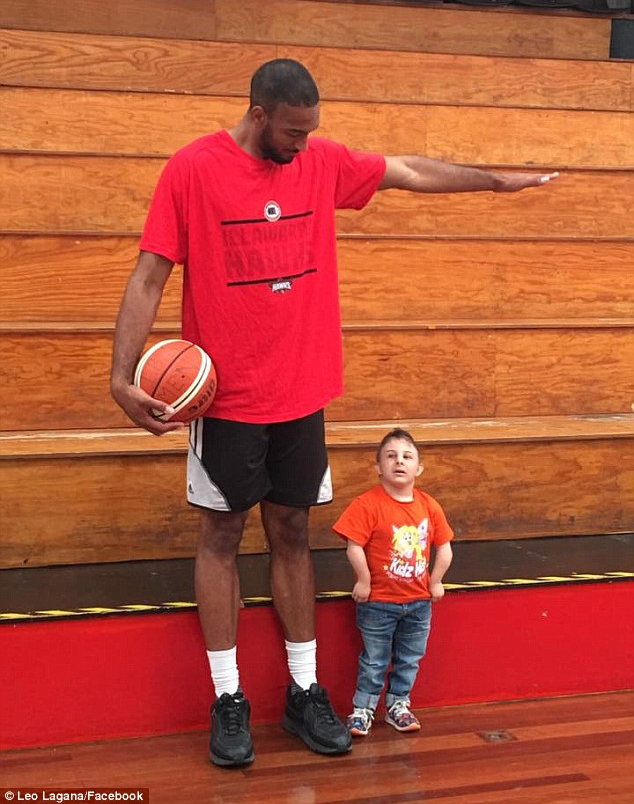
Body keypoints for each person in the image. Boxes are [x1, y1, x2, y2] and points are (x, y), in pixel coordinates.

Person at [110, 58, 557, 768]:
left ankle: (304, 687)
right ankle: (227, 698)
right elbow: (149, 272)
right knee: (221, 535)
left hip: (301, 392)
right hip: (224, 397)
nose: (303, 144)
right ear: (259, 115)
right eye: (293, 132)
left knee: (292, 530)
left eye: (311, 131)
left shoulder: (319, 162)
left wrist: (495, 181)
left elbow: (407, 170)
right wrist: (120, 376)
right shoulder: (192, 170)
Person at [333, 428, 454, 737]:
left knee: (410, 658)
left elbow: (444, 546)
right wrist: (363, 580)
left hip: (418, 603)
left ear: (419, 468)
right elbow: (354, 545)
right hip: (379, 603)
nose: (399, 462)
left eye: (407, 456)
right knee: (374, 659)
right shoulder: (367, 504)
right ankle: (363, 708)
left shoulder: (429, 506)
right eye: (391, 456)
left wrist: (436, 581)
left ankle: (398, 704)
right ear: (378, 468)